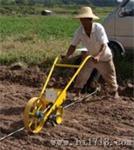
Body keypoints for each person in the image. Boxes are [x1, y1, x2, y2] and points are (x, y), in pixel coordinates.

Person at [62, 6, 119, 99]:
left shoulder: (98, 28)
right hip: (90, 57)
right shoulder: (79, 31)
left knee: (110, 76)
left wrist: (98, 56)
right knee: (82, 74)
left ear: (90, 19)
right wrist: (67, 56)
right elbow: (73, 45)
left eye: (85, 19)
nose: (83, 22)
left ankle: (114, 92)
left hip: (104, 57)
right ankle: (77, 94)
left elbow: (103, 44)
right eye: (81, 19)